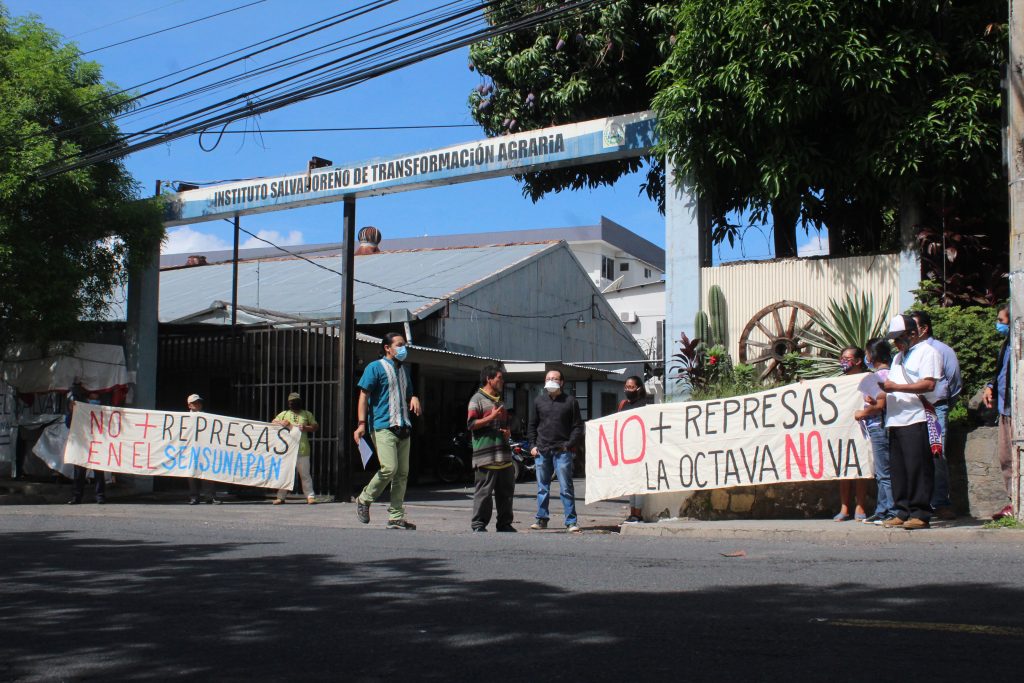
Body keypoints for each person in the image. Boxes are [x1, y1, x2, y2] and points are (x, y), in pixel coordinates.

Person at [880, 314, 944, 529]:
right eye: (894, 339)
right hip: (896, 418)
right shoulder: (898, 358)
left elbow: (928, 384)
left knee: (918, 467)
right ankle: (902, 509)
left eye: (899, 338)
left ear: (913, 334)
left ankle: (920, 513)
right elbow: (893, 384)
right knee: (899, 469)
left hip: (916, 416)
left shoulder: (928, 352)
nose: (896, 343)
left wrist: (896, 388)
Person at [353, 333, 422, 530]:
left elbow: (409, 393)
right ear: (387, 347)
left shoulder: (404, 370)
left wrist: (414, 397)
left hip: (404, 426)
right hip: (383, 426)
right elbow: (363, 396)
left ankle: (396, 517)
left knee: (402, 474)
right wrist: (361, 424)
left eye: (404, 345)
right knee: (389, 468)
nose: (403, 348)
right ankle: (364, 499)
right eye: (399, 344)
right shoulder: (375, 367)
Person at [912, 310, 961, 519]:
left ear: (924, 328)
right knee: (915, 456)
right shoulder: (907, 353)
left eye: (913, 327)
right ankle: (919, 504)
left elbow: (954, 381)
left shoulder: (942, 350)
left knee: (936, 453)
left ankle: (940, 502)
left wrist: (943, 404)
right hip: (912, 409)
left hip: (935, 408)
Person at [527, 369, 584, 532]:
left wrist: (569, 444)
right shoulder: (538, 401)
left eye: (555, 378)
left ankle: (571, 521)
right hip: (542, 450)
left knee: (566, 487)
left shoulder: (570, 401)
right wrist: (532, 445)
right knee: (542, 488)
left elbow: (578, 426)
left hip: (562, 451)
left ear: (562, 382)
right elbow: (532, 425)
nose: (551, 381)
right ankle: (541, 519)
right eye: (548, 378)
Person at [467, 365, 516, 532]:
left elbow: (504, 426)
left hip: (504, 455)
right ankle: (478, 524)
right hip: (486, 456)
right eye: (499, 378)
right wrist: (491, 417)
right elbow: (471, 424)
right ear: (489, 379)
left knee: (506, 492)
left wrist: (507, 433)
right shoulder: (476, 399)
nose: (502, 381)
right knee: (484, 492)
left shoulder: (500, 401)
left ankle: (504, 524)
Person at [855, 339, 896, 524]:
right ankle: (882, 509)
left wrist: (862, 413)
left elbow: (880, 406)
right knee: (882, 472)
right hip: (882, 426)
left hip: (879, 426)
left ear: (872, 355)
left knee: (884, 472)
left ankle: (890, 511)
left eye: (867, 353)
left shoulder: (879, 377)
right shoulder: (892, 373)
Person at [983, 305, 1013, 520]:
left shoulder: (1018, 345)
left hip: (1015, 409)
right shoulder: (1007, 344)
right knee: (1006, 457)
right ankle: (1013, 501)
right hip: (1005, 408)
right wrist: (990, 386)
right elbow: (1001, 371)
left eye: (1001, 321)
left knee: (1013, 457)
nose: (998, 325)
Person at [834, 347, 869, 521]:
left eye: (847, 358)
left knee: (861, 467)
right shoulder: (839, 382)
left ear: (858, 361)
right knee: (844, 467)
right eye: (842, 358)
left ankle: (860, 505)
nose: (843, 361)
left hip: (862, 427)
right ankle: (844, 506)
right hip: (843, 427)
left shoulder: (867, 378)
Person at [271, 392, 318, 505]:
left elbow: (315, 426)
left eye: (295, 401)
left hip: (303, 450)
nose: (293, 403)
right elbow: (273, 422)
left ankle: (310, 496)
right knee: (285, 474)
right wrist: (281, 422)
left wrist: (305, 427)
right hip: (287, 451)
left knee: (305, 474)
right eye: (291, 402)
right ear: (288, 403)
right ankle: (280, 497)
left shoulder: (307, 414)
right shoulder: (284, 414)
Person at [619, 376, 652, 523]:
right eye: (626, 387)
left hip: (641, 449)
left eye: (631, 387)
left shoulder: (645, 405)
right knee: (630, 483)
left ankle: (638, 514)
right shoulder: (624, 405)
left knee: (638, 482)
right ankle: (632, 512)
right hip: (627, 450)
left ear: (639, 388)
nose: (628, 389)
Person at [67, 392, 106, 505]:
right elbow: (68, 424)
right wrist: (71, 411)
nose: (95, 394)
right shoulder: (79, 406)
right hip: (82, 444)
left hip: (97, 443)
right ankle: (77, 497)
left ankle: (100, 496)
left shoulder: (103, 407)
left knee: (98, 471)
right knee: (79, 472)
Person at [185, 394, 220, 505]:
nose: (198, 404)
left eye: (199, 402)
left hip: (205, 448)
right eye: (195, 403)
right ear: (189, 405)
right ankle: (194, 497)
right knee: (191, 472)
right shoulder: (184, 418)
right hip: (190, 449)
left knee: (207, 471)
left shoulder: (207, 417)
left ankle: (210, 496)